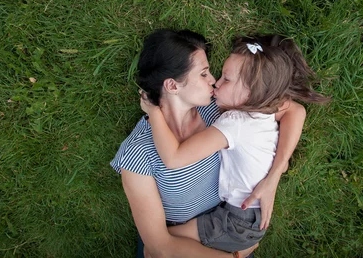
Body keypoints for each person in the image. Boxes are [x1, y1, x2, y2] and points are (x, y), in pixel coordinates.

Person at [110, 30, 311, 258]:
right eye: (204, 74)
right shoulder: (138, 154)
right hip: (184, 245)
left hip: (229, 226)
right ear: (173, 86)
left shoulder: (218, 110)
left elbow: (294, 110)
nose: (214, 81)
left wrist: (273, 176)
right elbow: (159, 247)